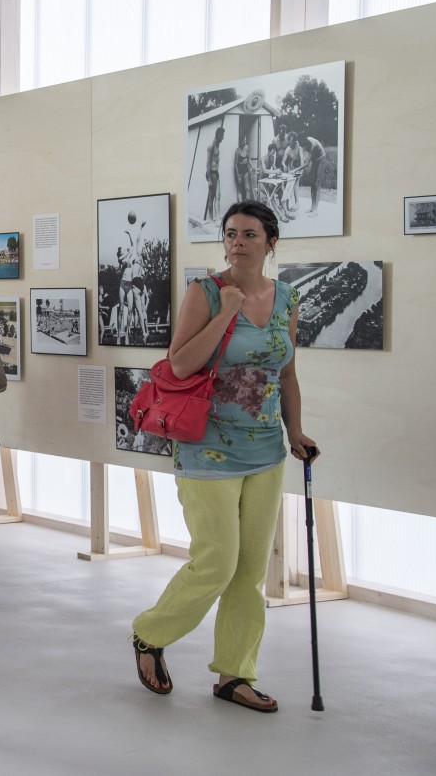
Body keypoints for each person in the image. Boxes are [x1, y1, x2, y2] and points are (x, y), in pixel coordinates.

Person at [130, 200, 318, 713]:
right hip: (206, 448)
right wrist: (229, 313)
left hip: (266, 451)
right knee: (216, 561)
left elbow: (287, 374)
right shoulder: (206, 292)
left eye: (250, 234)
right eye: (231, 233)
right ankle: (150, 632)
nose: (238, 242)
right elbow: (181, 361)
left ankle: (235, 674)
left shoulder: (287, 299)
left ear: (270, 242)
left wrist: (294, 430)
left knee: (249, 572)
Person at [204, 126, 225, 222]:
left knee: (218, 196)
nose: (223, 138)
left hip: (216, 173)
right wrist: (209, 179)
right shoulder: (211, 146)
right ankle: (211, 219)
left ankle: (217, 218)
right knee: (211, 197)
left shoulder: (218, 145)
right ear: (218, 135)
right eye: (222, 136)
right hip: (211, 173)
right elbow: (208, 163)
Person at [303, 135, 326, 217]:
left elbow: (306, 164)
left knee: (317, 185)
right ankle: (312, 207)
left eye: (304, 146)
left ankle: (315, 210)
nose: (304, 148)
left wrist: (295, 170)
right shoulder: (306, 140)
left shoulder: (313, 146)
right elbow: (306, 158)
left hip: (321, 160)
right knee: (312, 185)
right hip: (315, 160)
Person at [233, 132, 253, 203]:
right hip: (239, 169)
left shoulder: (246, 147)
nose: (245, 142)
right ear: (240, 141)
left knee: (247, 187)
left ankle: (248, 203)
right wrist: (238, 175)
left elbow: (248, 158)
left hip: (245, 168)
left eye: (245, 140)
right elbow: (235, 165)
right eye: (243, 141)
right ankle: (240, 203)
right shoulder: (237, 151)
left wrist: (252, 167)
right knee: (240, 187)